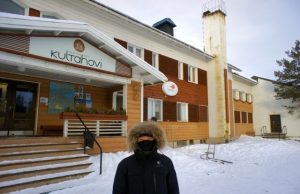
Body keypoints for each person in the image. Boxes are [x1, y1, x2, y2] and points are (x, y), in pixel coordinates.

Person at [113, 122, 179, 194]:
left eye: (149, 139)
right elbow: (118, 191)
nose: (145, 142)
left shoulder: (166, 162)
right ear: (135, 141)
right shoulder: (125, 165)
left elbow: (173, 189)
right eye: (141, 140)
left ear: (156, 140)